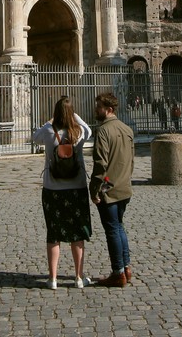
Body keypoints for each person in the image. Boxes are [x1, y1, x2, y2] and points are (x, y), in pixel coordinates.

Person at [31, 96, 93, 289]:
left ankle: (53, 278)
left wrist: (50, 121)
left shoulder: (49, 132)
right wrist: (75, 116)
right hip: (77, 188)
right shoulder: (79, 131)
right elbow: (90, 129)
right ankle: (79, 277)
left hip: (53, 189)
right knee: (77, 232)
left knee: (54, 233)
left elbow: (35, 136)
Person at [89, 92, 134, 287]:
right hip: (124, 186)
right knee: (119, 227)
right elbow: (131, 161)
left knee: (112, 230)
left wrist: (95, 189)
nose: (95, 110)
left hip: (108, 189)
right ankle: (126, 267)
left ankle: (117, 273)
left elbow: (100, 163)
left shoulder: (103, 131)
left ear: (108, 109)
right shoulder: (127, 129)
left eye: (98, 107)